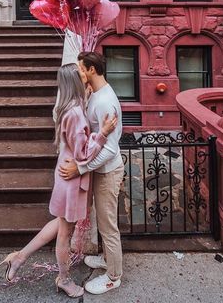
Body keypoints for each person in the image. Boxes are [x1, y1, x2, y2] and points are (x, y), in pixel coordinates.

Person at [0, 62, 118, 298]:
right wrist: (102, 134)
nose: (85, 73)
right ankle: (63, 280)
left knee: (60, 224)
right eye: (80, 72)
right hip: (72, 181)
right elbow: (83, 153)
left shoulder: (73, 105)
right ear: (75, 81)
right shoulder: (74, 113)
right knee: (65, 234)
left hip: (68, 176)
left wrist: (87, 95)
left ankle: (19, 257)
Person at [59, 51, 124, 295]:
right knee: (104, 222)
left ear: (92, 71)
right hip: (101, 170)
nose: (79, 73)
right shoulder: (96, 94)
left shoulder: (105, 101)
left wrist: (81, 167)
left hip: (107, 171)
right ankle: (108, 260)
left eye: (81, 69)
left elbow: (110, 149)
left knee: (108, 226)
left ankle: (113, 276)